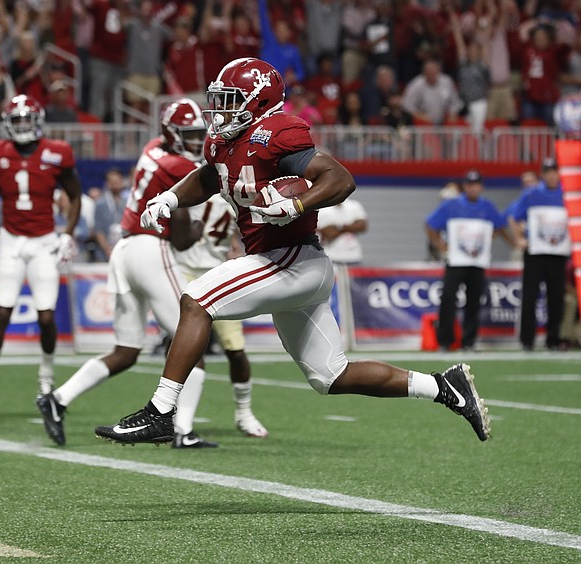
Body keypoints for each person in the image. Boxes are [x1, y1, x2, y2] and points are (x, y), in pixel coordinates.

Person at [94, 58, 492, 446]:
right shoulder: (222, 141)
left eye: (230, 99)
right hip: (290, 266)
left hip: (291, 258)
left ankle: (161, 412)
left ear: (259, 101)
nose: (219, 109)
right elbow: (209, 176)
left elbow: (340, 178)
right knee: (330, 377)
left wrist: (298, 204)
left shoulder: (277, 133)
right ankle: (443, 387)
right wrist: (170, 198)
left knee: (197, 299)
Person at [37, 98, 217, 449]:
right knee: (193, 333)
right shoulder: (179, 164)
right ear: (172, 134)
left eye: (198, 134)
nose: (197, 140)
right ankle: (183, 430)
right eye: (190, 134)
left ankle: (57, 399)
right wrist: (196, 232)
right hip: (151, 249)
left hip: (125, 249)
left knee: (126, 350)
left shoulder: (153, 148)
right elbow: (180, 239)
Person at [0, 94, 82, 415]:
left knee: (47, 316)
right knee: (2, 313)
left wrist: (68, 233)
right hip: (10, 240)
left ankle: (46, 377)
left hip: (44, 241)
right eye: (17, 120)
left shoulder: (57, 153)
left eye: (27, 119)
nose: (22, 126)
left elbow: (74, 195)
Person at [174, 193, 268, 438]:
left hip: (215, 274)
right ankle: (179, 417)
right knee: (189, 350)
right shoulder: (232, 195)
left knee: (234, 349)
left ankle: (243, 414)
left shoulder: (206, 192)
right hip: (188, 272)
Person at [425, 170, 513, 352]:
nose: (473, 188)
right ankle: (445, 341)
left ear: (481, 186)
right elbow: (430, 224)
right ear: (465, 186)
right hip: (456, 261)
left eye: (476, 184)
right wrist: (442, 246)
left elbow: (500, 226)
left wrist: (487, 241)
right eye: (470, 184)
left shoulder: (487, 207)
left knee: (474, 301)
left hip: (477, 262)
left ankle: (469, 342)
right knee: (448, 299)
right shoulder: (451, 205)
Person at [508, 157, 571, 351]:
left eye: (554, 172)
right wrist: (519, 239)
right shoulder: (532, 194)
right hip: (535, 253)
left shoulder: (567, 193)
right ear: (543, 174)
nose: (552, 176)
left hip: (558, 253)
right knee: (530, 297)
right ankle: (527, 341)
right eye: (548, 172)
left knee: (556, 298)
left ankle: (552, 339)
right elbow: (513, 217)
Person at [317, 198, 368, 265]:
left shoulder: (354, 205)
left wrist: (339, 227)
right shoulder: (322, 208)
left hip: (354, 257)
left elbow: (362, 226)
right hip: (331, 257)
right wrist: (351, 226)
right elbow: (329, 234)